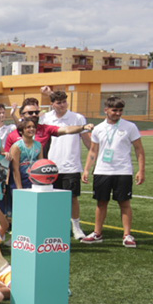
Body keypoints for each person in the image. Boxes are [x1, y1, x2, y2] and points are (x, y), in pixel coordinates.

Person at [82, 96, 145, 247]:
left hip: (123, 171)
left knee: (124, 203)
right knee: (101, 202)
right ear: (106, 110)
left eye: (120, 110)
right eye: (114, 110)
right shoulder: (98, 128)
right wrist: (86, 169)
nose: (118, 113)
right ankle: (97, 233)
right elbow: (93, 150)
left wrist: (141, 170)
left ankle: (127, 235)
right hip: (102, 171)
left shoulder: (130, 127)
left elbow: (139, 149)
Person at [41, 89, 92, 240]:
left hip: (71, 165)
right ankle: (54, 226)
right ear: (52, 104)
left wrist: (95, 155)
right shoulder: (45, 118)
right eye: (59, 102)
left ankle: (76, 227)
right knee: (51, 199)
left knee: (72, 198)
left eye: (64, 102)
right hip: (50, 165)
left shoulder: (78, 118)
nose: (62, 105)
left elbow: (87, 140)